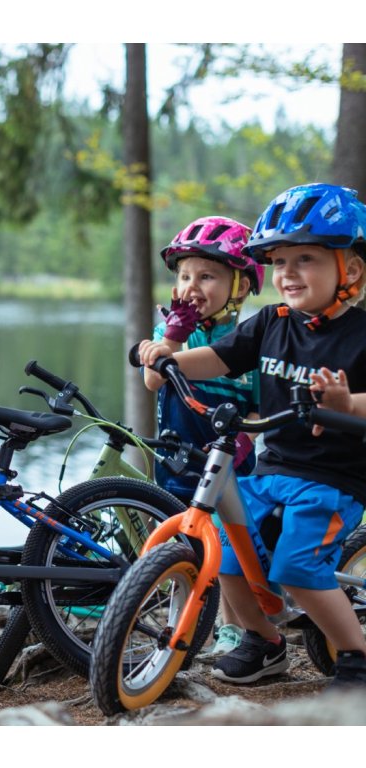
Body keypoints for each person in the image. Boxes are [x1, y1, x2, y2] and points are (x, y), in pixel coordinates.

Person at [138, 183, 366, 690]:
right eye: (280, 261)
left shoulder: (360, 335)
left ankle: (357, 656)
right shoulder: (271, 322)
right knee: (224, 550)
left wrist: (347, 404)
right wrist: (170, 358)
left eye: (305, 259)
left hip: (333, 478)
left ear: (349, 271)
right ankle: (264, 642)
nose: (288, 273)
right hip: (273, 467)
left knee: (296, 567)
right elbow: (219, 359)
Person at [147, 215, 263, 657]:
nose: (191, 286)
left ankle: (232, 627)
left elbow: (259, 403)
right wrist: (172, 338)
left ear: (240, 286)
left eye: (207, 276)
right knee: (184, 543)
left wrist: (247, 437)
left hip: (229, 463)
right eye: (184, 276)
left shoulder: (250, 341)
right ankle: (180, 623)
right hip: (177, 458)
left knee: (229, 547)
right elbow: (153, 380)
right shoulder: (172, 332)